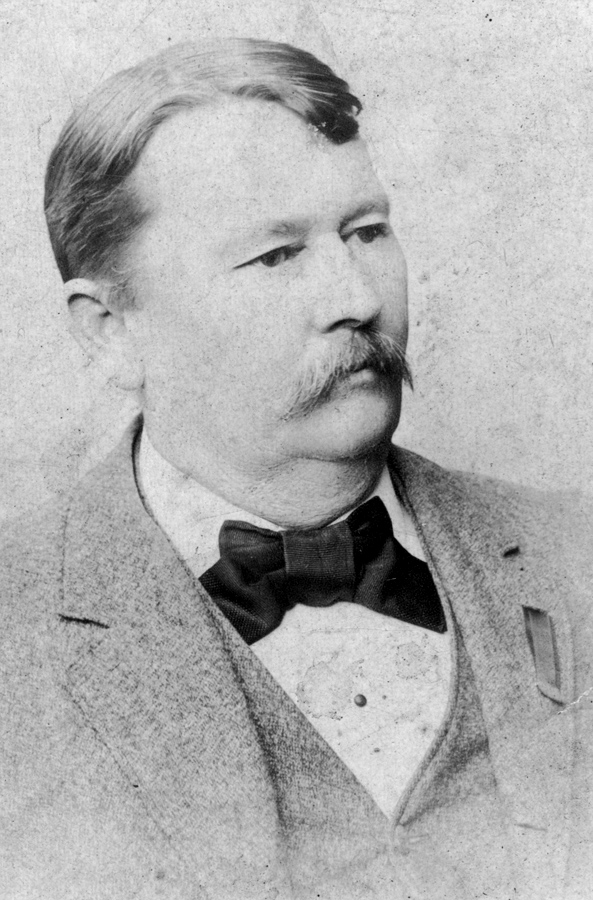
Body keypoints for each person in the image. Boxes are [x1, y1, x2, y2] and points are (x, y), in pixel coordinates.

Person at [0, 38, 591, 900]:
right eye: (276, 255)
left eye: (367, 232)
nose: (357, 298)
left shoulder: (574, 551)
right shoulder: (14, 632)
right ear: (110, 330)